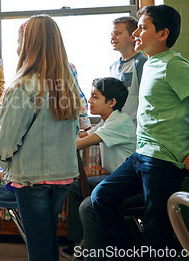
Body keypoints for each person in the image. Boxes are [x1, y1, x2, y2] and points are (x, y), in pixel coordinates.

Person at [91, 5, 189, 259]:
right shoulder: (150, 63)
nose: (136, 34)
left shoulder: (174, 64)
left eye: (143, 28)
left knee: (157, 234)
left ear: (163, 34)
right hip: (141, 154)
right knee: (101, 196)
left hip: (163, 160)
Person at [0, 14, 82, 261]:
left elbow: (6, 141)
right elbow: (74, 132)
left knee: (39, 246)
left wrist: (1, 163)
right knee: (48, 238)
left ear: (29, 44)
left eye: (20, 40)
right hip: (63, 175)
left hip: (31, 178)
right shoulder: (68, 85)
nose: (17, 47)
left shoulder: (22, 87)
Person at [63, 77, 136, 259]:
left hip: (130, 184)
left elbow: (78, 144)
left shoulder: (118, 123)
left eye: (95, 97)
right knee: (74, 188)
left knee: (89, 206)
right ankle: (79, 243)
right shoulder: (107, 121)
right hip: (113, 179)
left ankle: (93, 255)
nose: (89, 101)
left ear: (111, 102)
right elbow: (82, 136)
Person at [109, 16, 147, 123]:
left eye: (118, 34)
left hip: (135, 126)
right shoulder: (113, 67)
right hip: (118, 125)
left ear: (132, 37)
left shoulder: (141, 63)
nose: (113, 38)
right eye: (112, 34)